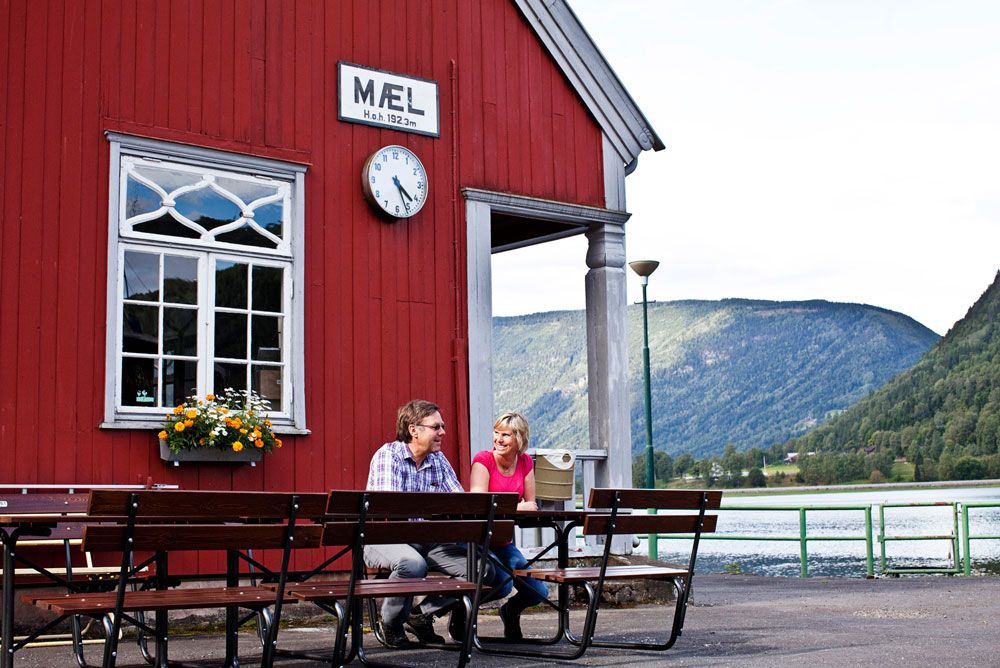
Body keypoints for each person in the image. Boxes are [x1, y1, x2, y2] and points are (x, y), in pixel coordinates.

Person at [364, 399, 494, 648]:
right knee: (412, 563)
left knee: (484, 570)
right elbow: (390, 512)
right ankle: (391, 624)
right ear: (414, 429)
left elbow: (459, 505)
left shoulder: (439, 460)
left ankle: (421, 613)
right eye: (436, 427)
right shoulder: (388, 455)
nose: (442, 432)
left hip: (427, 539)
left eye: (442, 426)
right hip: (385, 537)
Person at [469, 411, 550, 640]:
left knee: (538, 592)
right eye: (496, 433)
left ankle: (510, 610)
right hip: (480, 540)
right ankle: (462, 611)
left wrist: (517, 507)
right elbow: (478, 504)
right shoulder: (483, 460)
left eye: (505, 435)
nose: (498, 439)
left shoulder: (524, 462)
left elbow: (531, 505)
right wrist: (516, 506)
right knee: (502, 586)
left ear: (520, 439)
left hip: (504, 542)